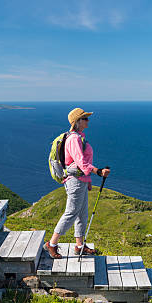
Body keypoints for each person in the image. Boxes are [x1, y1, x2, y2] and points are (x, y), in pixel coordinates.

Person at [44, 108, 110, 259]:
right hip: (74, 181)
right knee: (71, 212)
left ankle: (79, 245)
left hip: (80, 181)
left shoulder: (79, 137)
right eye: (85, 118)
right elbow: (80, 162)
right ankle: (52, 244)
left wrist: (87, 181)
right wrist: (97, 171)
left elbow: (80, 163)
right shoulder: (74, 139)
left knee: (82, 214)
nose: (88, 120)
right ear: (77, 121)